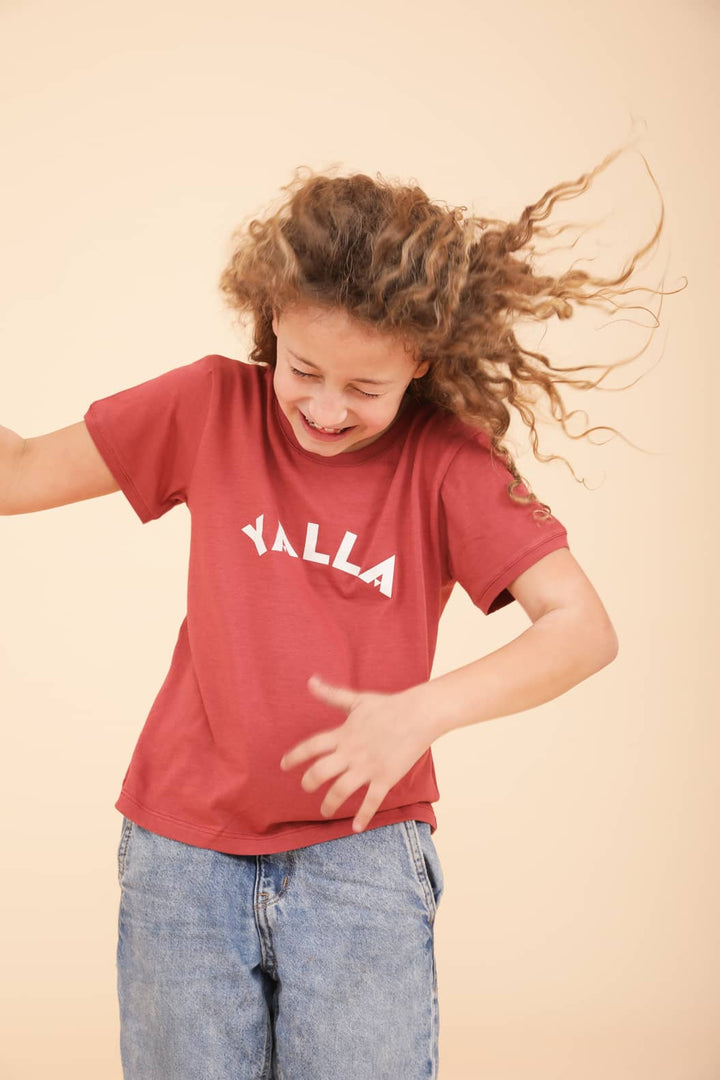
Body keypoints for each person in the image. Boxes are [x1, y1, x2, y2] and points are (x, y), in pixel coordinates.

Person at [0, 141, 674, 1079]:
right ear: (271, 322)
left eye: (365, 388)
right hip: (181, 855)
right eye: (302, 369)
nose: (322, 408)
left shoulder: (447, 462)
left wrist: (421, 711)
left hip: (363, 860)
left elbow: (582, 627)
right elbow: (19, 470)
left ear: (422, 362)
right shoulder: (207, 406)